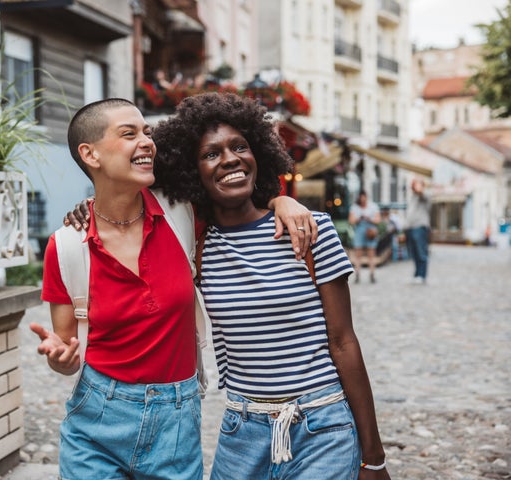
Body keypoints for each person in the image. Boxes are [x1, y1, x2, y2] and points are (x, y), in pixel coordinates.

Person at [30, 98, 316, 480]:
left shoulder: (182, 213)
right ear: (90, 154)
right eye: (129, 133)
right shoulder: (65, 247)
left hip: (175, 424)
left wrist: (281, 199)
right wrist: (59, 359)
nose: (146, 141)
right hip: (95, 420)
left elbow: (235, 195)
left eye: (147, 132)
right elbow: (66, 347)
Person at [151, 92, 390, 479]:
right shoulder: (195, 247)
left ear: (258, 154)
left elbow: (344, 342)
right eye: (211, 154)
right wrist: (88, 211)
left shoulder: (310, 231)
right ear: (190, 172)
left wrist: (373, 457)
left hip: (322, 426)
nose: (230, 159)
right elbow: (131, 205)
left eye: (239, 146)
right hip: (241, 433)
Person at [349, 190, 381, 283]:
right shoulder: (354, 207)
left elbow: (378, 220)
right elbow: (351, 220)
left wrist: (369, 219)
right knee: (358, 254)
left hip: (370, 231)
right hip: (359, 231)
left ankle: (372, 274)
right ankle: (357, 274)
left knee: (371, 253)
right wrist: (358, 219)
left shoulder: (373, 206)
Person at [405, 177, 431, 284]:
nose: (414, 186)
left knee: (421, 252)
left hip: (420, 227)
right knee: (414, 253)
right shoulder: (412, 197)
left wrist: (418, 187)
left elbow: (422, 194)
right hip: (410, 228)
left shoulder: (425, 195)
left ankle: (422, 275)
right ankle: (417, 274)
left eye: (417, 184)